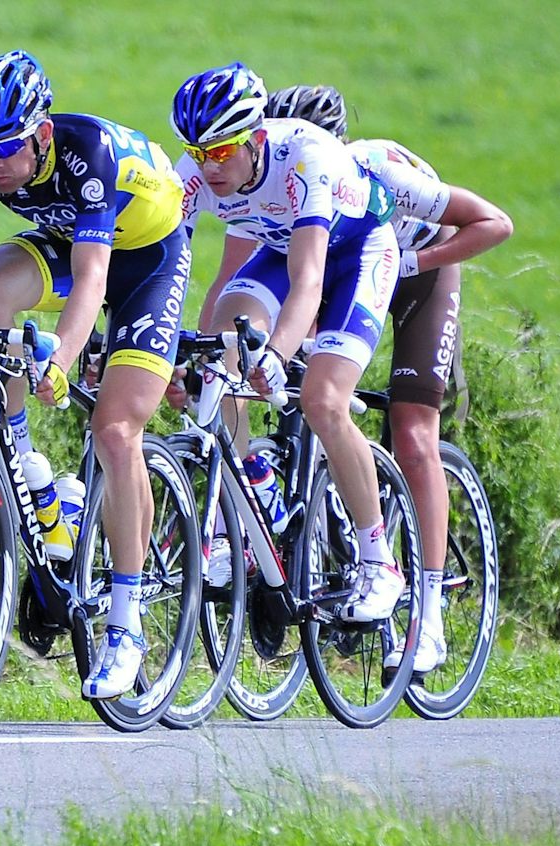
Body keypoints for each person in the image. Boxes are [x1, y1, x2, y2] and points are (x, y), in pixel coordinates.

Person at [0, 50, 191, 699]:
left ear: (41, 134)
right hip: (71, 245)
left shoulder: (89, 153)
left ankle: (127, 626)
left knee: (116, 430)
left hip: (145, 261)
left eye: (4, 149)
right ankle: (24, 466)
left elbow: (96, 278)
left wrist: (62, 357)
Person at [262, 83, 512, 675]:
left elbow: (493, 223)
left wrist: (416, 261)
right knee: (302, 393)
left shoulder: (378, 169)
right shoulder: (287, 191)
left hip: (421, 276)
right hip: (348, 275)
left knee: (412, 430)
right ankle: (322, 538)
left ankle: (429, 613)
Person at [172, 62, 407, 627]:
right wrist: (161, 351)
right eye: (199, 153)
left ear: (256, 138)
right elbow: (168, 273)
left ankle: (380, 563)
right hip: (278, 252)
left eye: (222, 152)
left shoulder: (307, 156)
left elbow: (309, 281)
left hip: (356, 253)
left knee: (323, 400)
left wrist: (276, 356)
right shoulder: (193, 173)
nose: (210, 166)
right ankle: (248, 505)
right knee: (215, 357)